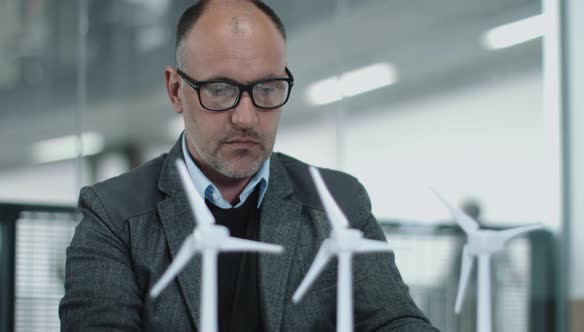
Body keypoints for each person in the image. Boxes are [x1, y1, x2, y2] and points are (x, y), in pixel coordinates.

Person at [59, 1, 439, 331]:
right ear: (176, 90)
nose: (246, 117)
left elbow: (395, 320)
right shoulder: (113, 215)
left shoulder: (339, 204)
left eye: (267, 89)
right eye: (221, 90)